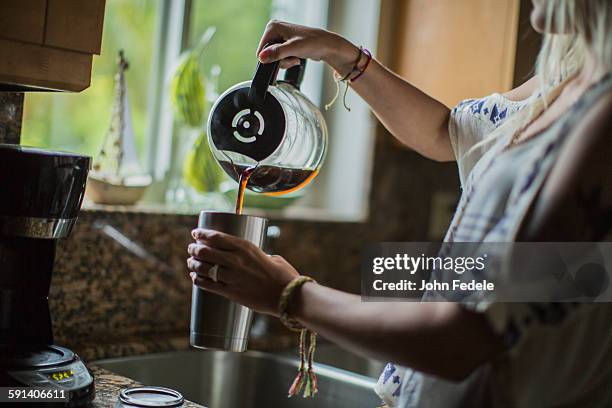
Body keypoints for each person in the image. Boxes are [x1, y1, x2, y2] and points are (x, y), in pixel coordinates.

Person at [187, 0, 612, 406]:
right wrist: (344, 56)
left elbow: (465, 336)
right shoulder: (570, 76)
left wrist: (288, 294)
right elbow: (447, 133)